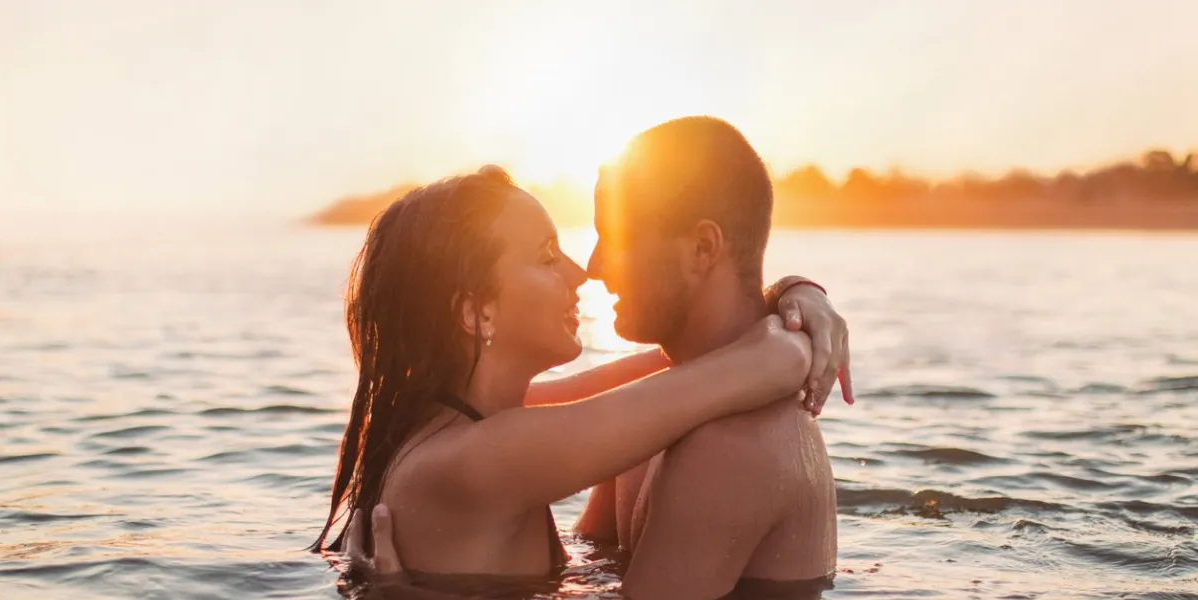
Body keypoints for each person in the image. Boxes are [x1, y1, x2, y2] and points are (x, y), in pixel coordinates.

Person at [345, 117, 852, 599]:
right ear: (475, 312)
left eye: (615, 238)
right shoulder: (481, 456)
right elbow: (737, 369)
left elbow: (672, 383)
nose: (585, 270)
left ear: (702, 247)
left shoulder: (668, 434)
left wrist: (793, 293)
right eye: (548, 256)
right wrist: (788, 347)